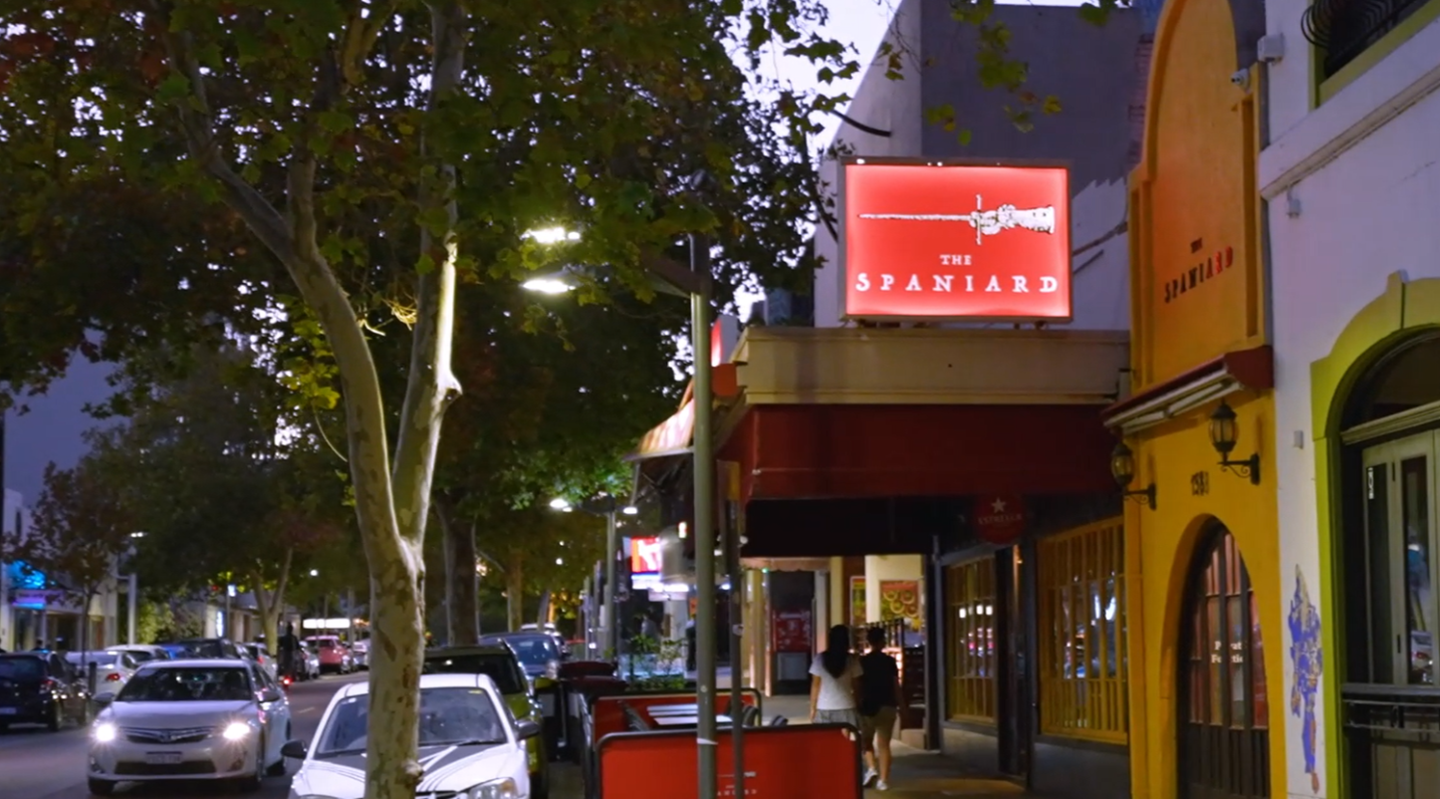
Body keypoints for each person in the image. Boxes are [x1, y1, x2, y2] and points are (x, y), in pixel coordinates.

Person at [858, 627, 901, 791]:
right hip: (888, 705)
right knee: (884, 745)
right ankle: (883, 781)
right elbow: (896, 686)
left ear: (869, 641)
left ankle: (871, 768)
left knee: (865, 742)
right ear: (883, 641)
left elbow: (858, 685)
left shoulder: (863, 662)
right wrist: (902, 706)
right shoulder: (889, 662)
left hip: (868, 706)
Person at [808, 625, 863, 732]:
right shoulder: (852, 660)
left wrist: (812, 708)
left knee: (827, 743)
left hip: (824, 706)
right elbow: (857, 686)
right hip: (846, 705)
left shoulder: (820, 659)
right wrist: (858, 704)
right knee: (843, 744)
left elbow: (815, 685)